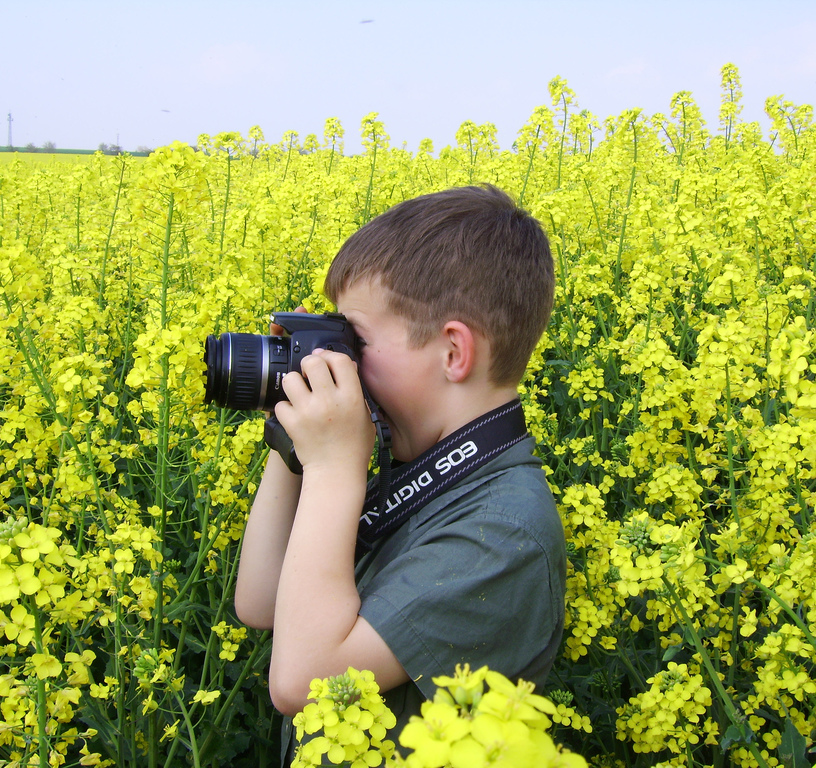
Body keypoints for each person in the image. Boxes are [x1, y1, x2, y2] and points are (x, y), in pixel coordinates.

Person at [233, 184, 567, 762]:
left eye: (355, 339)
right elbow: (260, 603)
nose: (340, 361)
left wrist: (335, 468)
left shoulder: (503, 533)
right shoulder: (416, 467)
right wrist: (293, 438)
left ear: (453, 353)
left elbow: (302, 681)